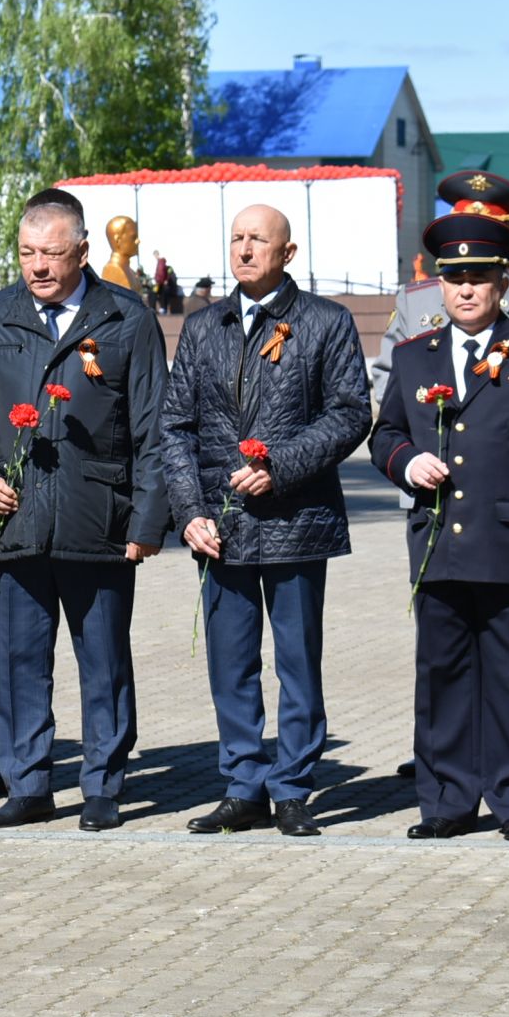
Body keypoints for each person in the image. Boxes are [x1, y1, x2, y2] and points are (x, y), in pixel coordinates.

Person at [0, 198, 169, 831]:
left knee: (103, 662)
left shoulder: (125, 319)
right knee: (20, 662)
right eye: (26, 253)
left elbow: (155, 427)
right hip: (18, 520)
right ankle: (28, 783)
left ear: (83, 253)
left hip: (100, 520)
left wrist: (148, 523)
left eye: (52, 253)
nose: (37, 267)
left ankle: (102, 786)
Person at [369, 211, 509, 841]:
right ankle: (445, 802)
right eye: (454, 277)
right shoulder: (414, 358)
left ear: (502, 285)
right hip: (437, 544)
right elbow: (385, 435)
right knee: (441, 675)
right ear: (439, 285)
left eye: (478, 277)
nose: (465, 289)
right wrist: (407, 463)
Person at [160, 205, 371, 837]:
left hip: (297, 519)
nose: (245, 249)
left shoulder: (326, 323)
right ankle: (243, 783)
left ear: (289, 252)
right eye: (236, 238)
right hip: (219, 527)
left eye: (259, 239)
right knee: (231, 661)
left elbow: (350, 413)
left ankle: (294, 787)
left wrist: (281, 465)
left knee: (298, 660)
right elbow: (175, 428)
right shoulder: (204, 328)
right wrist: (189, 512)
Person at [369, 171, 509, 406]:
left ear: (502, 240)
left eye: (484, 234)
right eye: (462, 228)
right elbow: (386, 378)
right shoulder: (414, 301)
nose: (470, 240)